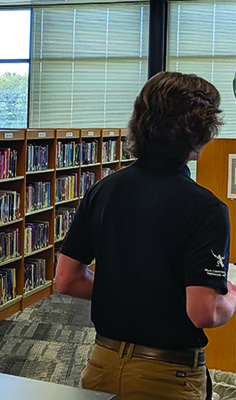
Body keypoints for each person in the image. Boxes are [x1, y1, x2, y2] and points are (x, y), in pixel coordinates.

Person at [56, 71, 236, 399]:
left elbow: (67, 280)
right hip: (168, 377)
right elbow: (204, 312)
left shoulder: (103, 190)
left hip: (101, 365)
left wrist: (128, 292)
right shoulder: (206, 208)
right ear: (201, 131)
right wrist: (231, 297)